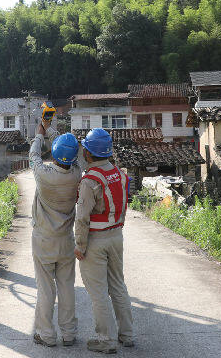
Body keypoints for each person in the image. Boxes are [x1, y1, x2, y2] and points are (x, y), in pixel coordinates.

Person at [74, 128, 134, 354]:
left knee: (98, 292)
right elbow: (123, 207)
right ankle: (127, 335)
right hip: (116, 236)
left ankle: (105, 340)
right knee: (118, 285)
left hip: (95, 241)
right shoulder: (120, 174)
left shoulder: (89, 181)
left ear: (89, 154)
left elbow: (82, 217)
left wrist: (80, 246)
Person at [29, 118, 82, 347]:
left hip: (43, 240)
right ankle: (69, 334)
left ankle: (46, 334)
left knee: (45, 288)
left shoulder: (44, 175)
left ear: (55, 155)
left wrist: (40, 133)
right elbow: (66, 153)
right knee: (66, 287)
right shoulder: (77, 174)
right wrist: (50, 129)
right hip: (66, 240)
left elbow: (34, 156)